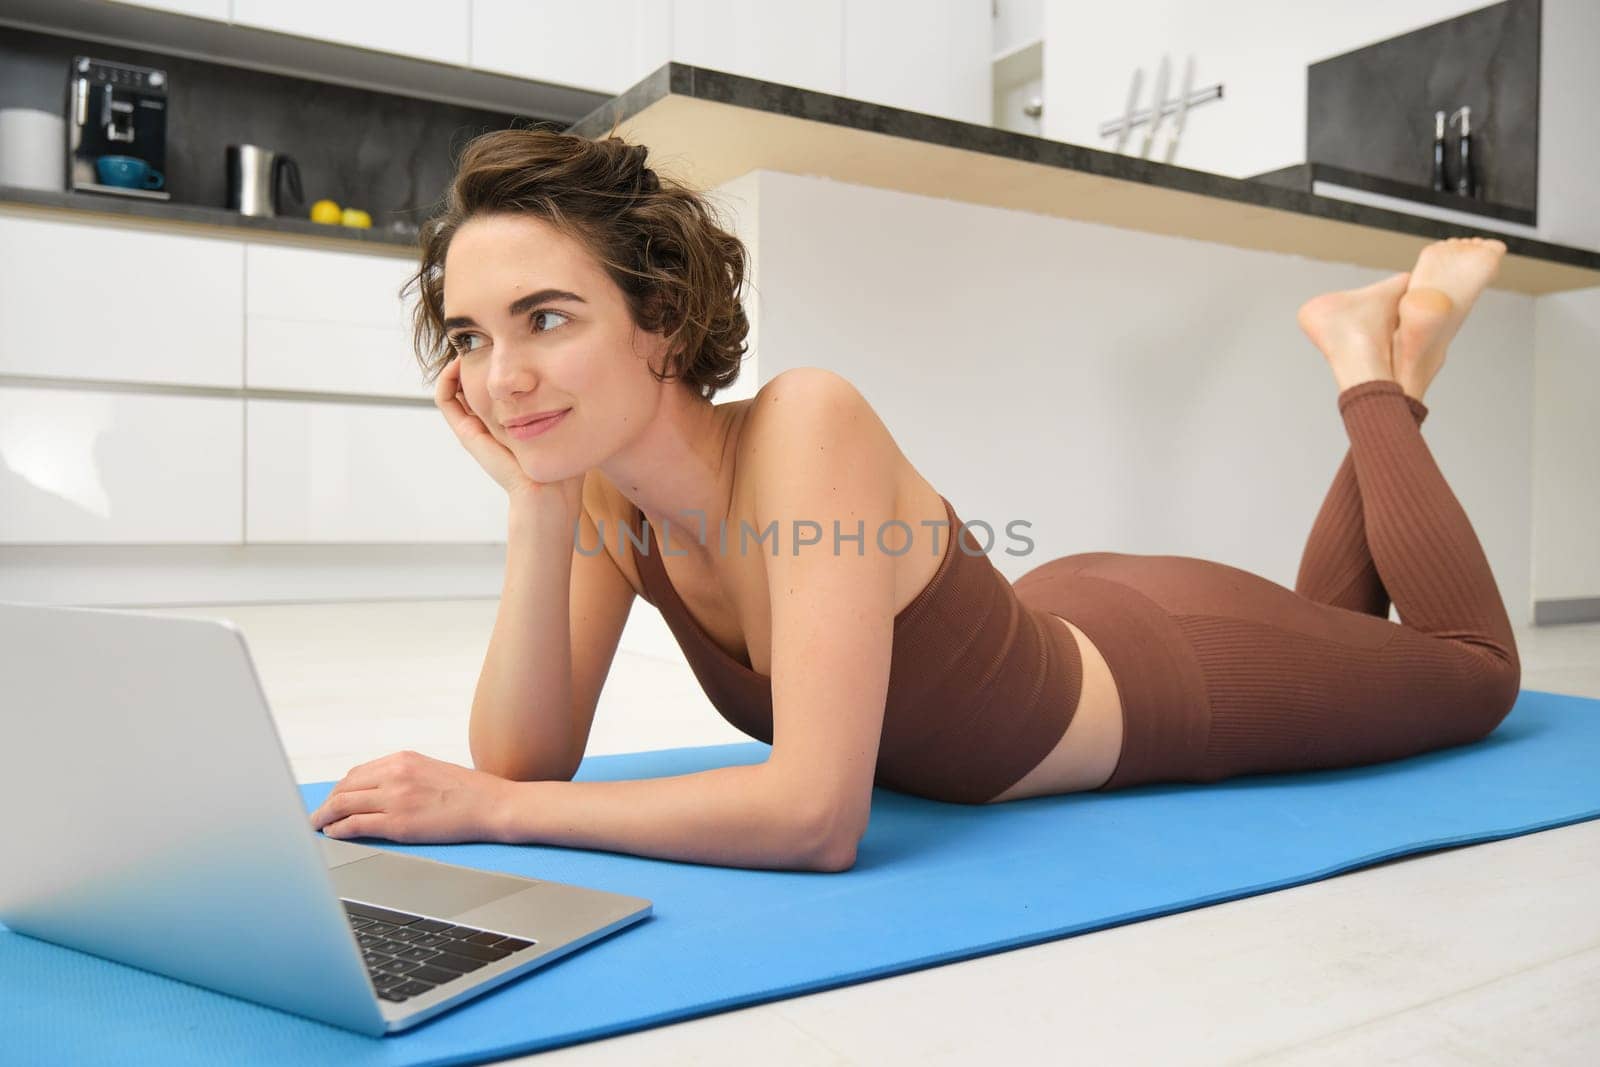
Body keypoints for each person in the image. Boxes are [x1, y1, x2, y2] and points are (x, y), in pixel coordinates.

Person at [308, 125, 1519, 874]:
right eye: (469, 336)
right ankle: (1394, 359)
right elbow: (525, 754)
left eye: (547, 318)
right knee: (1351, 641)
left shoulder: (805, 418)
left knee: (1470, 669)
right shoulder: (602, 506)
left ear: (661, 317)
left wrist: (499, 814)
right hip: (1063, 614)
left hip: (1173, 674)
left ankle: (1370, 366)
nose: (498, 374)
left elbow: (814, 815)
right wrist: (534, 504)